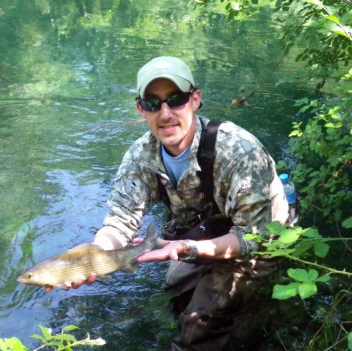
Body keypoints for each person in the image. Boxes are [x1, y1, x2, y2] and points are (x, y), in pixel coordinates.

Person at [53, 56, 289, 350]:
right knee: (175, 286)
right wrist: (96, 256)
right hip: (210, 229)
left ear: (195, 100)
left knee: (197, 323)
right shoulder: (140, 156)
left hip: (264, 235)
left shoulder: (237, 150)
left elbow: (254, 236)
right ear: (141, 109)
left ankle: (245, 324)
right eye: (153, 103)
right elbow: (120, 220)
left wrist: (190, 249)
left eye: (175, 100)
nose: (165, 114)